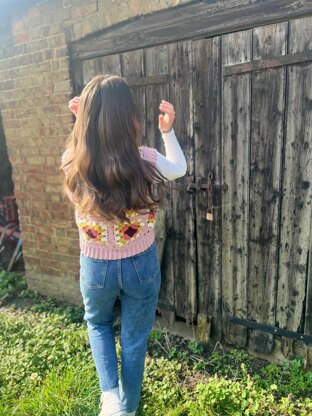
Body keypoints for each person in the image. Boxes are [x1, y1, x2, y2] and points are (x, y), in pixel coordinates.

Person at [60, 74, 187, 416]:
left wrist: (79, 125)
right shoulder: (144, 160)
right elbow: (179, 168)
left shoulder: (73, 162)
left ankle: (109, 398)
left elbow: (77, 147)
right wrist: (167, 131)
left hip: (95, 267)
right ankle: (127, 410)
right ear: (129, 117)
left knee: (98, 323)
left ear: (85, 119)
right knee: (133, 341)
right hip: (140, 266)